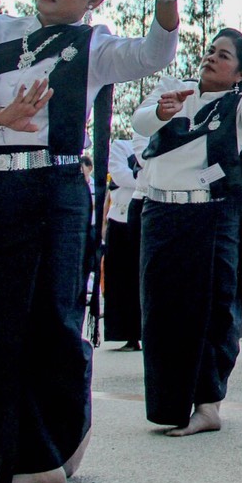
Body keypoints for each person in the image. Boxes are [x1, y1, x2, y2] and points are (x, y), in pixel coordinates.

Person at [0, 0, 179, 483]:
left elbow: (152, 55)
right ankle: (15, 459)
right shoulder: (0, 30)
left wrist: (166, 1)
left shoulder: (93, 45)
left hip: (56, 188)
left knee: (51, 318)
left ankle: (56, 442)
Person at [132, 14, 242, 437]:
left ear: (240, 71)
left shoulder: (241, 107)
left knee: (211, 308)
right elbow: (140, 124)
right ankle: (167, 405)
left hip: (209, 215)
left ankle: (208, 403)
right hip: (160, 211)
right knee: (161, 310)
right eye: (211, 51)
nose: (211, 58)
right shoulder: (174, 89)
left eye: (224, 55)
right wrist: (161, 111)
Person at [102, 137, 143, 351]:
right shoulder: (121, 146)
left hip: (145, 218)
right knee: (120, 277)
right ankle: (125, 332)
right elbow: (119, 174)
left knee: (141, 278)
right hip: (120, 218)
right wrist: (144, 179)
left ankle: (144, 331)